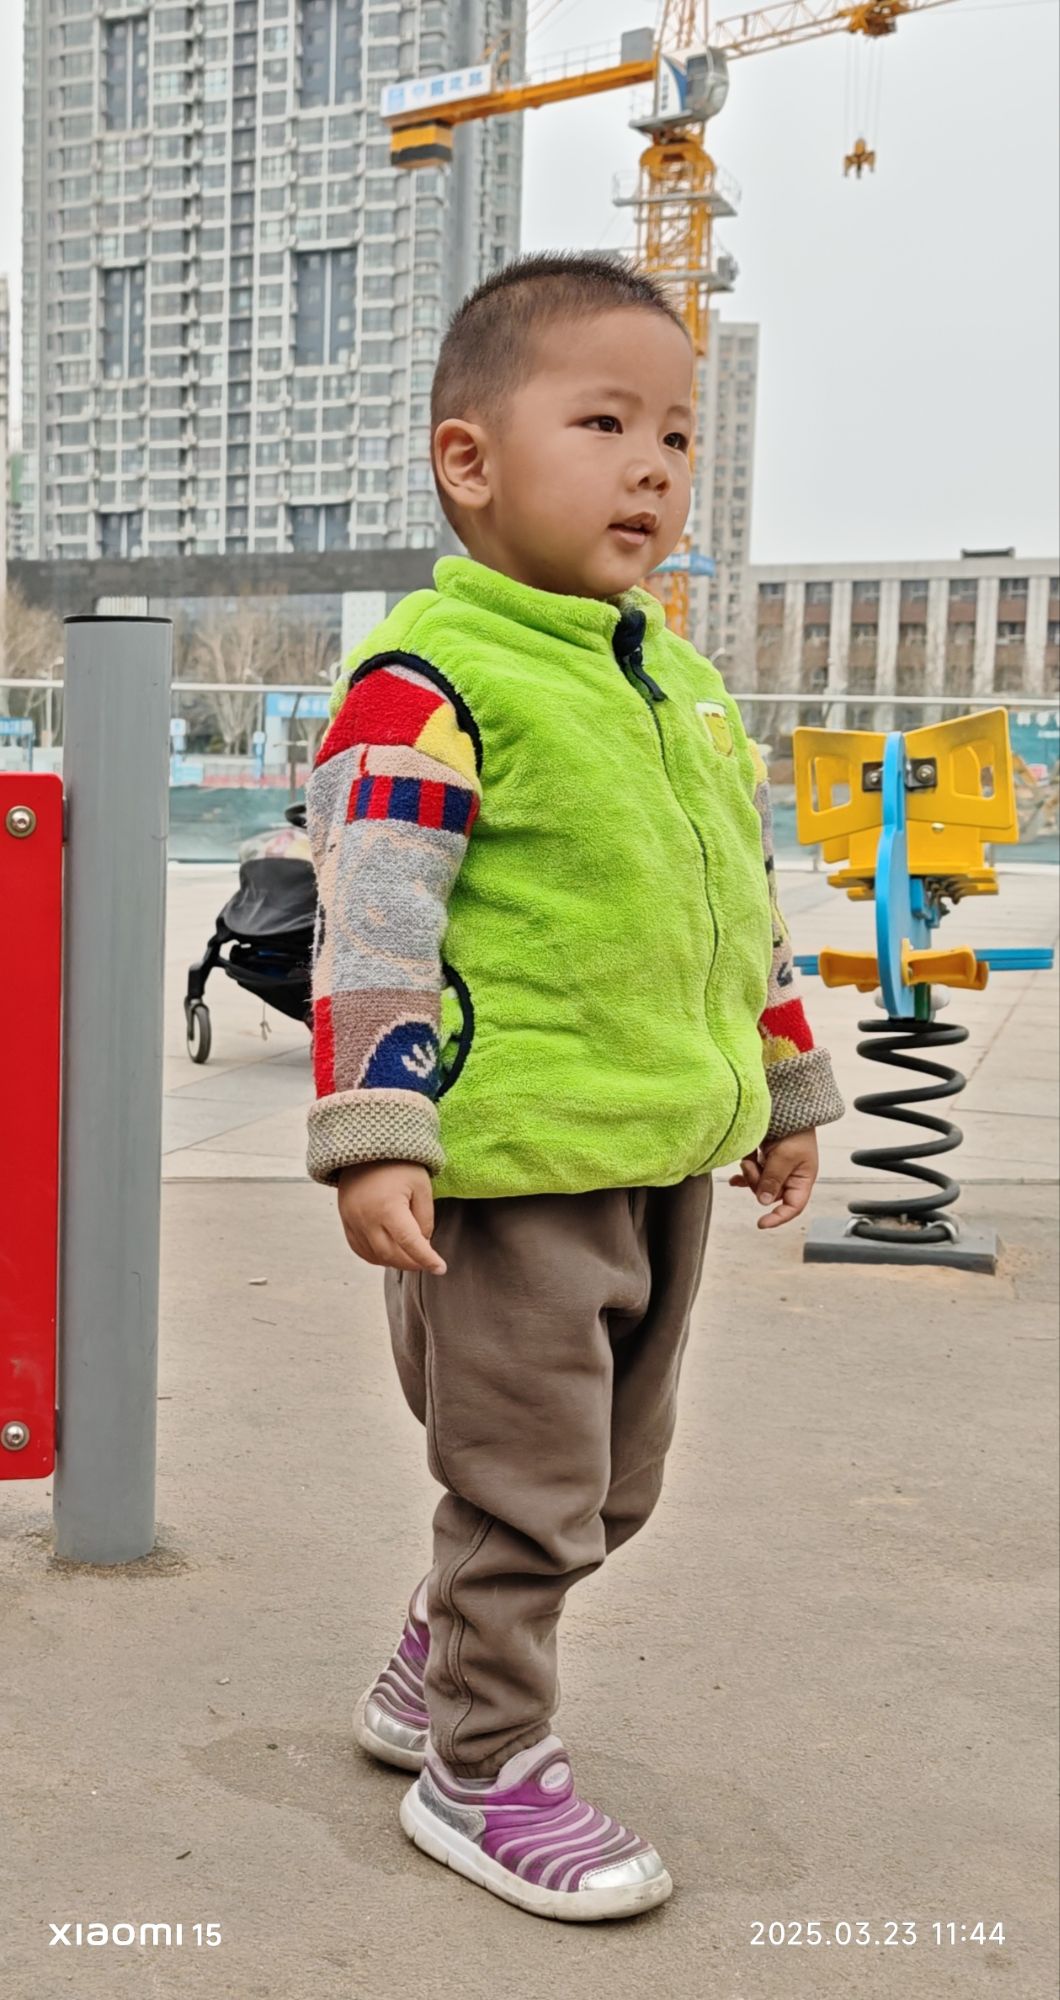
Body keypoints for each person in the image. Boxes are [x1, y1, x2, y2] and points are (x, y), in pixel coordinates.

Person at [305, 253, 844, 1923]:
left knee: (614, 1484)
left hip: (656, 1151)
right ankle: (480, 1769)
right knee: (529, 1489)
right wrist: (377, 1132)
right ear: (470, 461)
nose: (652, 469)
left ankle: (433, 1662)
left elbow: (737, 902)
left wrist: (785, 1082)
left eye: (677, 437)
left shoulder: (680, 685)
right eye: (604, 424)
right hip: (512, 1167)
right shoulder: (430, 681)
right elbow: (374, 918)